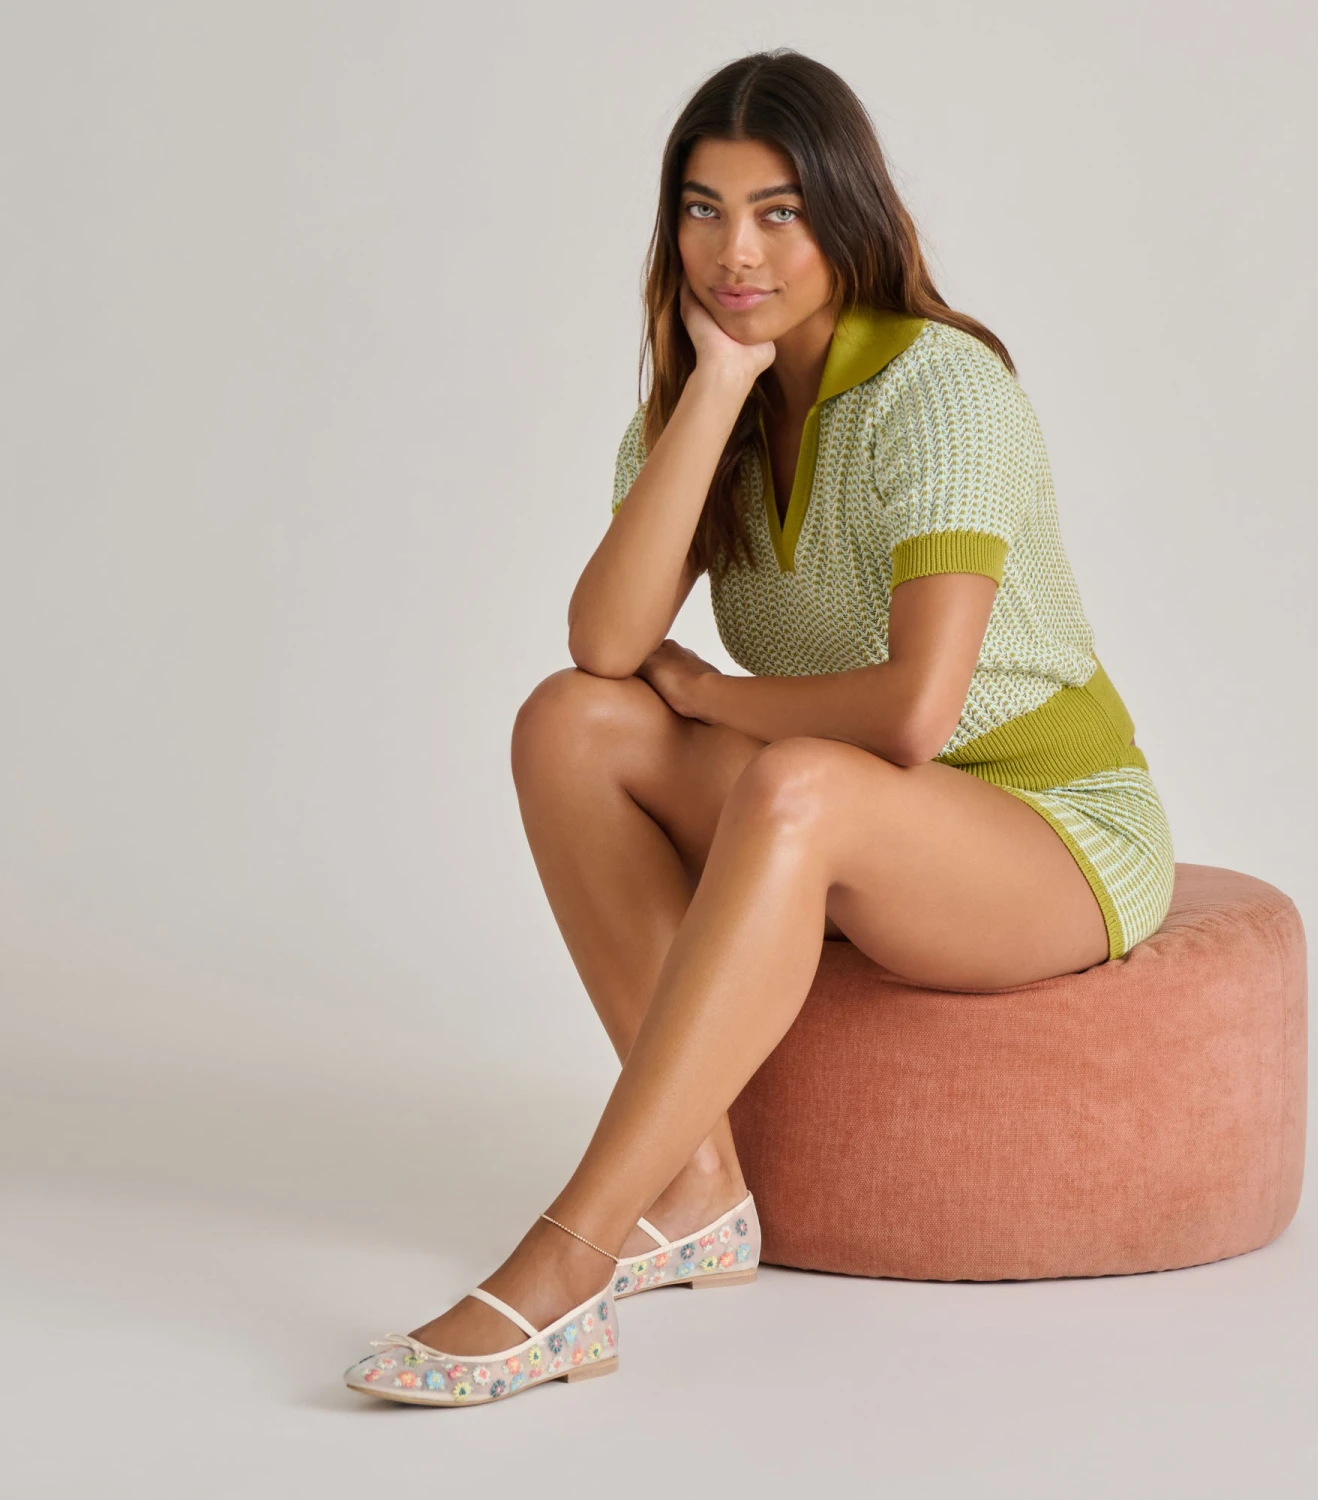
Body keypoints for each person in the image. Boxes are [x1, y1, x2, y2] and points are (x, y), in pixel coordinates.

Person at [343, 47, 1174, 1407]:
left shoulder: (942, 390)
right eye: (704, 209)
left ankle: (569, 1257)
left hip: (1050, 829)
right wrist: (719, 390)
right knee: (568, 725)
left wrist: (720, 697)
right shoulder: (699, 410)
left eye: (779, 212)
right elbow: (607, 649)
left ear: (847, 216)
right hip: (860, 805)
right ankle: (696, 1190)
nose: (736, 250)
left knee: (800, 785)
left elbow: (914, 712)